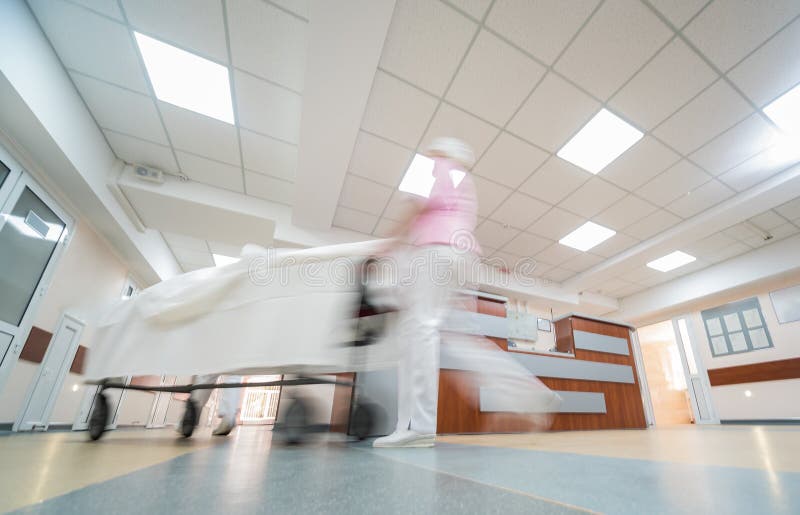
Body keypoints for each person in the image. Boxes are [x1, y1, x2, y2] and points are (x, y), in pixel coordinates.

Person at [373, 137, 480, 448]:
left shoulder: (429, 165)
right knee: (419, 330)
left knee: (418, 331)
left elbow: (414, 208)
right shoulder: (463, 177)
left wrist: (386, 244)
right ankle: (413, 424)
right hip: (460, 255)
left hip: (434, 251)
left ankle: (416, 426)